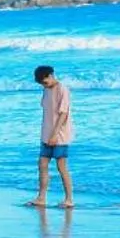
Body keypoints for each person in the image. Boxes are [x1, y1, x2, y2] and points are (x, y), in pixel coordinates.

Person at [33, 64, 74, 209]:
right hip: (46, 135)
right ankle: (41, 198)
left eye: (45, 82)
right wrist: (46, 135)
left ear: (51, 76)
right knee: (42, 164)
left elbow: (64, 114)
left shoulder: (62, 89)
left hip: (60, 136)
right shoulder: (46, 90)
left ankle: (69, 199)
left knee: (61, 167)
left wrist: (55, 134)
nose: (44, 85)